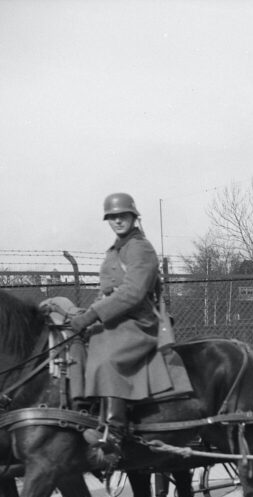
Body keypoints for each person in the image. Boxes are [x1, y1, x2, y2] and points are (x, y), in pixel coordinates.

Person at [67, 192, 181, 464]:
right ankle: (85, 414)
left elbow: (132, 292)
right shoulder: (115, 250)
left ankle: (114, 432)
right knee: (74, 347)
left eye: (122, 216)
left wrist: (94, 314)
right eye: (112, 217)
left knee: (107, 358)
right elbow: (107, 291)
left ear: (133, 216)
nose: (117, 221)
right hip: (115, 317)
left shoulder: (140, 247)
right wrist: (85, 316)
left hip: (138, 320)